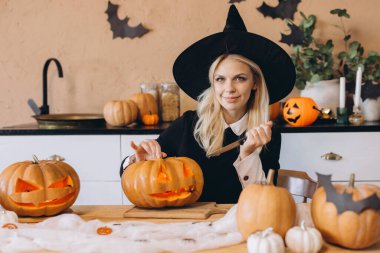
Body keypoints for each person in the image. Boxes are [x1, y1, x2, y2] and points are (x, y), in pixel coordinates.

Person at [121, 5, 295, 203]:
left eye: (239, 78)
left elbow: (264, 203)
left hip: (238, 225)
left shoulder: (267, 134)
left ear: (255, 82)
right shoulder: (188, 124)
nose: (228, 89)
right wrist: (137, 161)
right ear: (212, 83)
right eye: (220, 79)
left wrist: (248, 155)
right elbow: (133, 176)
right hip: (189, 225)